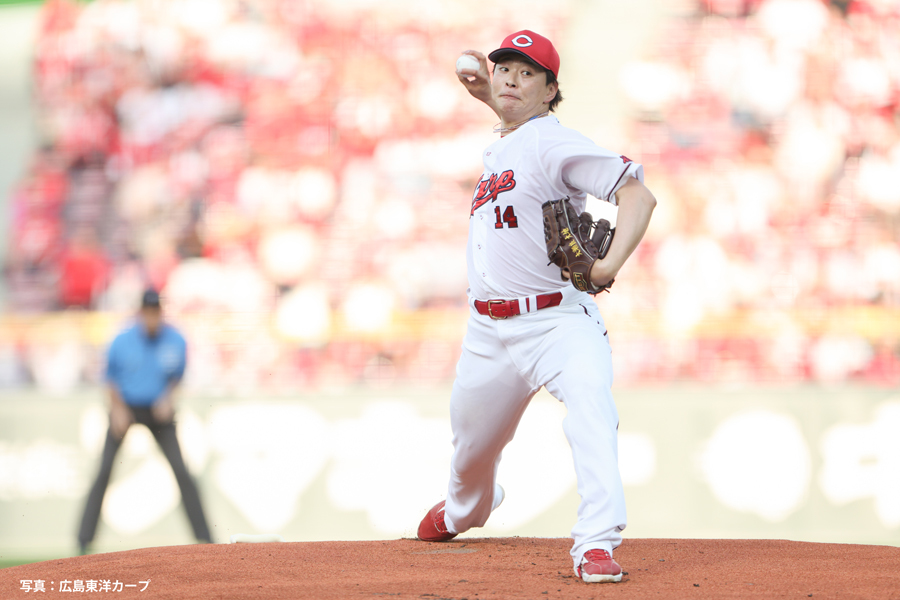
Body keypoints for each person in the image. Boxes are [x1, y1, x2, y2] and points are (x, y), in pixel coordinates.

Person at [416, 30, 657, 584]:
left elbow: (638, 196)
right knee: (470, 451)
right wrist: (490, 94)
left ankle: (596, 542)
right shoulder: (509, 139)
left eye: (528, 74)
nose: (511, 80)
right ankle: (464, 512)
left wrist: (606, 267)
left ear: (551, 91)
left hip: (557, 321)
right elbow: (515, 126)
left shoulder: (553, 142)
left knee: (592, 410)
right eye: (505, 69)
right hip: (488, 329)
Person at [77, 289, 211, 553]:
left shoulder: (175, 339)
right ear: (141, 313)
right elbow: (110, 378)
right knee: (104, 470)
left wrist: (168, 398)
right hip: (126, 407)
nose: (152, 318)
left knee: (181, 470)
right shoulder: (122, 339)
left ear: (160, 313)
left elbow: (177, 376)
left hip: (158, 409)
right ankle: (83, 541)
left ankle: (206, 539)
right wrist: (117, 409)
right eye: (148, 312)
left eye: (155, 312)